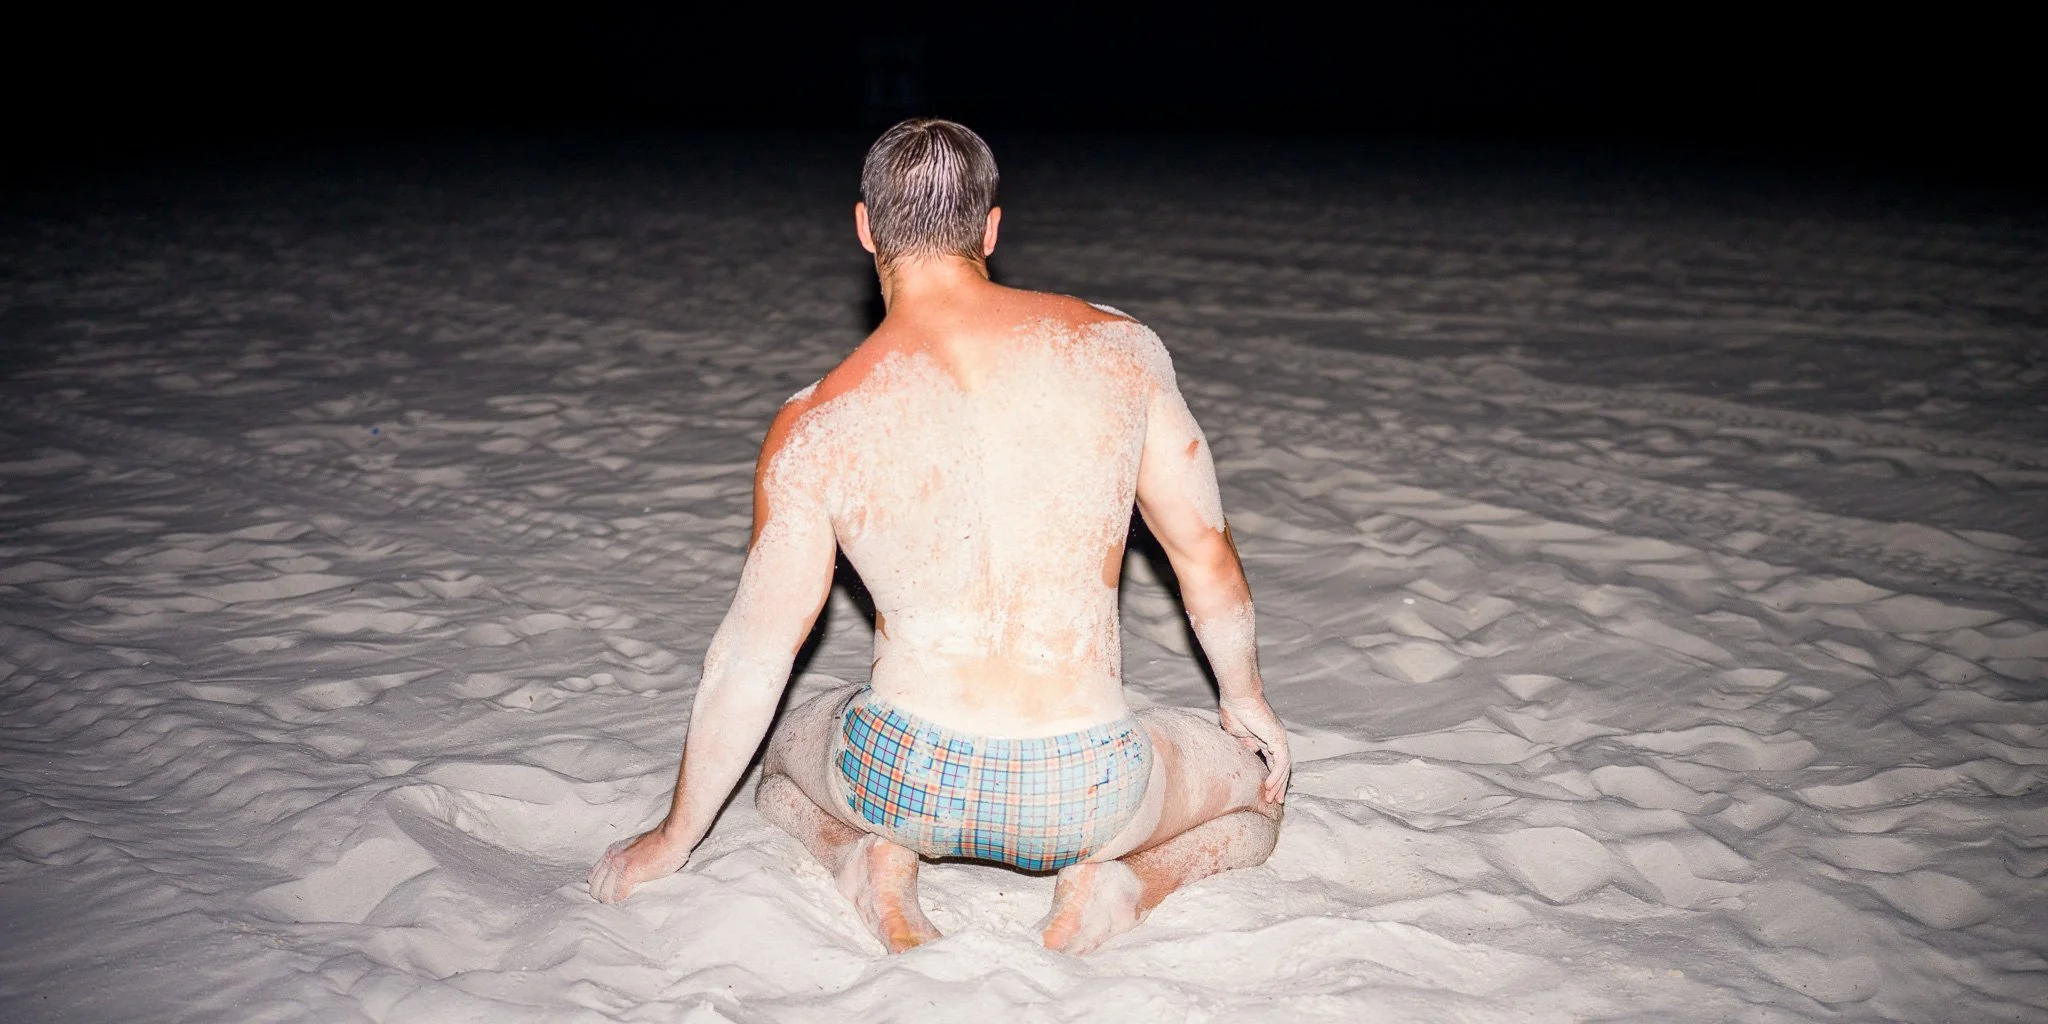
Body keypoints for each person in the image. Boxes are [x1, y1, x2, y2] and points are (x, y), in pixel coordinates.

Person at [588, 119, 1289, 955]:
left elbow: (751, 656)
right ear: (991, 228)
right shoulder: (1119, 350)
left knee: (782, 772)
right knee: (1256, 804)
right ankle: (1120, 886)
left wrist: (674, 838)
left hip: (900, 775)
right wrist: (1244, 700)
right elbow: (1202, 551)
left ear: (863, 228)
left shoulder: (815, 422)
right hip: (1088, 786)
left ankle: (866, 864)